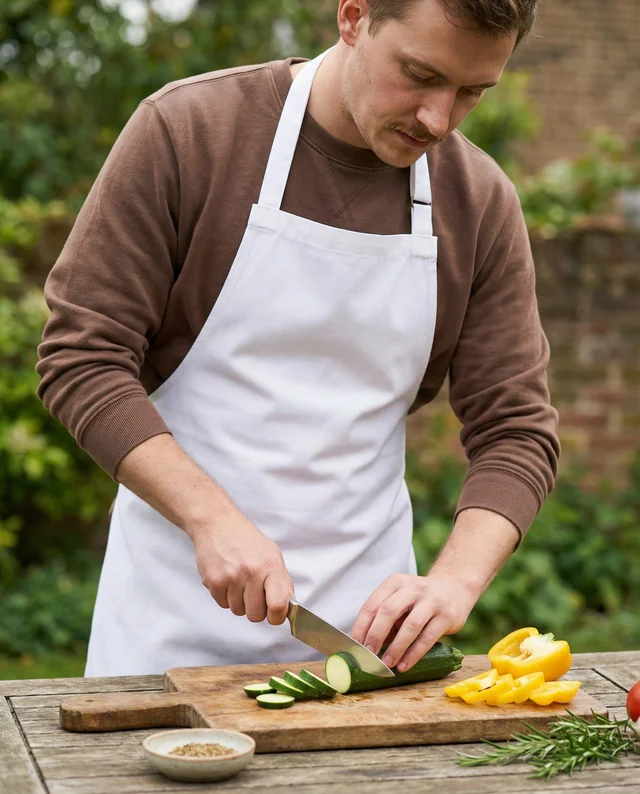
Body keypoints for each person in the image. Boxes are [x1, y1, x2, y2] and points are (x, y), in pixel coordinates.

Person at [37, 0, 559, 677]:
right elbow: (82, 357)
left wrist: (454, 583)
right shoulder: (190, 133)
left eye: (470, 93)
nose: (438, 117)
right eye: (419, 74)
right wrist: (209, 519)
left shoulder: (479, 202)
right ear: (352, 16)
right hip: (168, 629)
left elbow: (517, 430)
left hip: (364, 648)